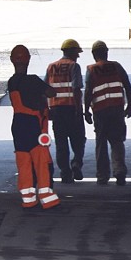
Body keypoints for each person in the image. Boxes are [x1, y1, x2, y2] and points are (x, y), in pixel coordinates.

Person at [7, 45, 60, 210]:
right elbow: (51, 92)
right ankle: (47, 198)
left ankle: (28, 199)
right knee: (41, 160)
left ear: (12, 60)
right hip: (32, 124)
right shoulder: (33, 80)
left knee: (24, 162)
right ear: (28, 59)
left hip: (17, 125)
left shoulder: (12, 81)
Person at [83, 40, 131, 186]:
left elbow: (88, 91)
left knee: (101, 143)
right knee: (117, 141)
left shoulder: (91, 69)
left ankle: (102, 176)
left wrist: (86, 111)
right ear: (106, 52)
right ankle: (119, 173)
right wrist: (130, 106)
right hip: (117, 110)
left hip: (100, 111)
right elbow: (127, 85)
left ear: (94, 54)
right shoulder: (116, 66)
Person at [45, 39, 86, 184]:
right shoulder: (74, 66)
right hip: (71, 108)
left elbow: (45, 90)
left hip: (56, 110)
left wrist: (47, 109)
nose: (78, 56)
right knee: (79, 140)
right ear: (71, 52)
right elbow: (76, 89)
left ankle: (65, 173)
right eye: (77, 52)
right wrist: (79, 110)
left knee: (61, 143)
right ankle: (76, 164)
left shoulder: (51, 67)